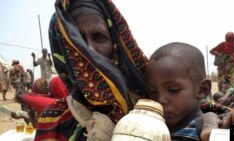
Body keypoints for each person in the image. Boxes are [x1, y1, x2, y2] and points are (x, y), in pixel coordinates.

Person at [34, 0, 148, 140]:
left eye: (99, 37)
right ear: (63, 52)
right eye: (77, 42)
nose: (89, 50)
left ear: (116, 45)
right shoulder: (54, 120)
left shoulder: (154, 105)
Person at [146, 42, 212, 140]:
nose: (160, 100)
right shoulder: (148, 127)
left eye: (173, 90)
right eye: (153, 91)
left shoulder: (212, 131)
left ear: (202, 90)